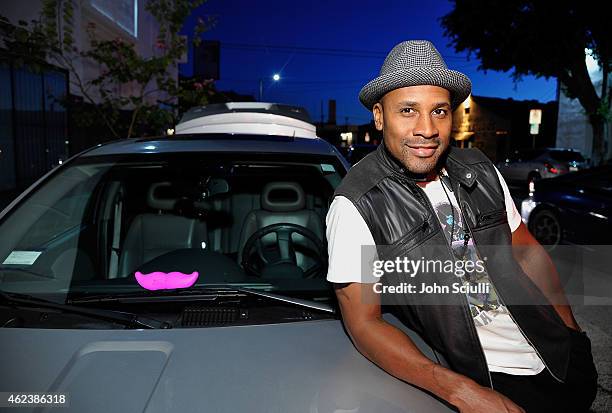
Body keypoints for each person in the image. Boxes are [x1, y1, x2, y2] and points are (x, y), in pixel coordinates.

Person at [326, 40, 597, 413]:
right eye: (408, 110)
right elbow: (364, 323)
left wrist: (572, 332)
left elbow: (528, 253)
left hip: (558, 354)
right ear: (379, 116)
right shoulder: (356, 203)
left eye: (439, 111)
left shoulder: (481, 169)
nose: (427, 129)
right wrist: (462, 393)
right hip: (483, 378)